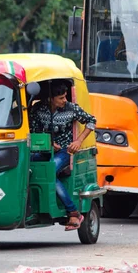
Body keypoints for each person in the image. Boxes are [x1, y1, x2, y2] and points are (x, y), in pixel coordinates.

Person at [29, 81, 96, 230]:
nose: (64, 100)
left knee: (50, 171)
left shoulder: (71, 109)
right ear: (50, 98)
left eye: (65, 97)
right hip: (41, 150)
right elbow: (32, 130)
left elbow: (91, 121)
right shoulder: (38, 109)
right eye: (61, 98)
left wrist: (78, 141)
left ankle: (73, 212)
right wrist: (48, 143)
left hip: (64, 151)